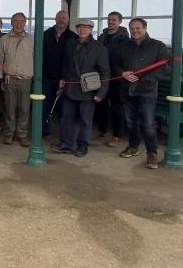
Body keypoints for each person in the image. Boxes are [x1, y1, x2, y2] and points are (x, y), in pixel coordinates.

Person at [115, 18, 170, 169]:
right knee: (131, 121)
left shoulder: (158, 46)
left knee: (148, 123)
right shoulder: (123, 45)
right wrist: (122, 73)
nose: (135, 31)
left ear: (145, 28)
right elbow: (115, 65)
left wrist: (145, 79)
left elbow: (164, 68)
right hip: (127, 89)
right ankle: (133, 147)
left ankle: (151, 153)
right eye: (132, 28)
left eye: (138, 28)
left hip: (147, 91)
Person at [53, 19, 110, 157]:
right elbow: (65, 64)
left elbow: (105, 72)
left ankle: (82, 146)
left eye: (86, 27)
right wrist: (62, 78)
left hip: (88, 90)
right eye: (80, 27)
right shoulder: (70, 43)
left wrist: (101, 93)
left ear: (91, 30)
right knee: (66, 118)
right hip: (69, 87)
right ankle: (66, 144)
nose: (82, 30)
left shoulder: (99, 48)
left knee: (85, 120)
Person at [0, 12, 34, 147]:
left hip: (26, 79)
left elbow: (36, 59)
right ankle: (9, 134)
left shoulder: (31, 39)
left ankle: (23, 135)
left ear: (25, 23)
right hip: (9, 79)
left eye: (21, 21)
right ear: (12, 23)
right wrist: (0, 78)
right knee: (10, 108)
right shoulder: (4, 39)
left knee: (24, 109)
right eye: (16, 21)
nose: (18, 24)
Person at [95, 11, 130, 147]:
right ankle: (102, 130)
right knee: (101, 104)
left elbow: (126, 57)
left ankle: (117, 136)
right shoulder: (102, 36)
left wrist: (121, 72)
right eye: (109, 19)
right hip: (103, 75)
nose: (111, 22)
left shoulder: (124, 38)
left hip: (117, 77)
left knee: (117, 107)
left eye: (114, 20)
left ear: (120, 22)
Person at [41, 10, 76, 138]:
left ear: (68, 19)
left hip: (66, 79)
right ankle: (43, 130)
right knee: (44, 107)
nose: (61, 20)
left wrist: (66, 76)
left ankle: (64, 135)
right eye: (59, 17)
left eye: (64, 18)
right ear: (55, 19)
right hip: (46, 77)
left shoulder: (73, 37)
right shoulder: (45, 34)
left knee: (65, 109)